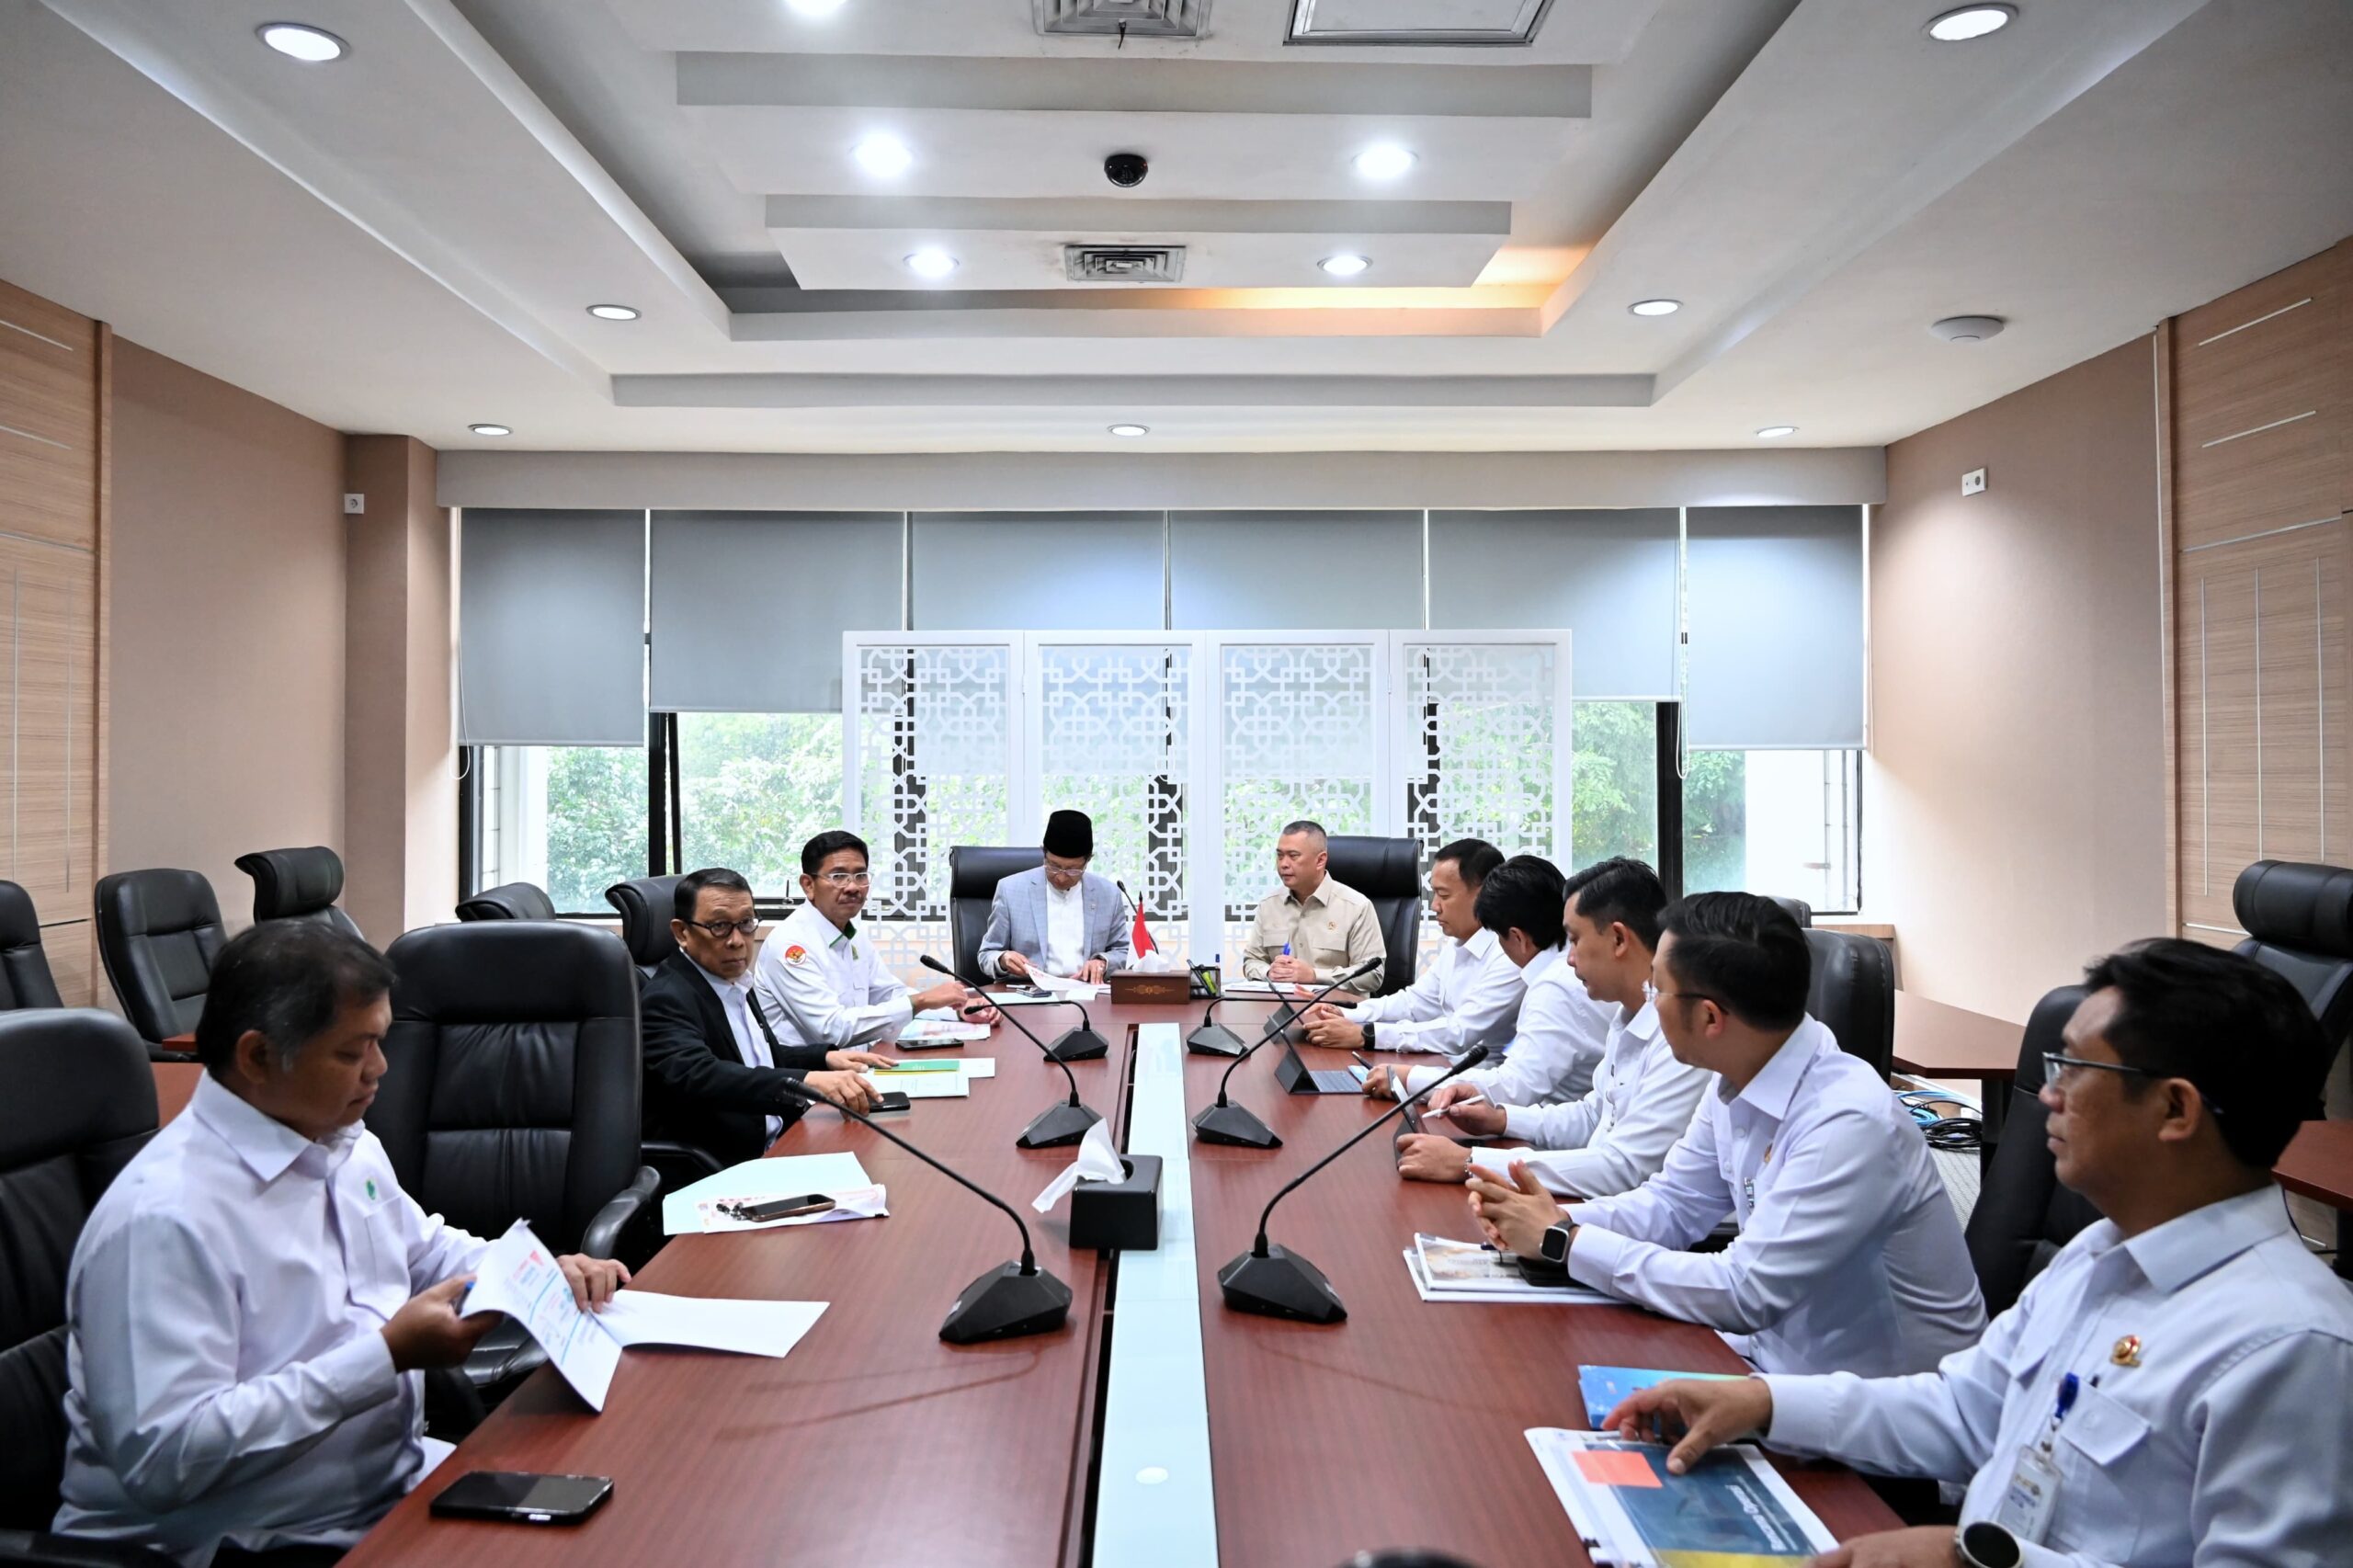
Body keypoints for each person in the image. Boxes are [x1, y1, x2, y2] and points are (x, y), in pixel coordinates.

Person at [1602, 939, 2353, 1568]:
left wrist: (1978, 1559)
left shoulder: (2291, 1343)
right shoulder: (2099, 1254)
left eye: (2077, 1071)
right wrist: (1765, 1404)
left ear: (2175, 1109)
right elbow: (1963, 1410)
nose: (2049, 1096)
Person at [52, 923, 629, 1565]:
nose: (380, 1069)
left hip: (384, 1493)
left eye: (380, 1042)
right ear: (258, 1057)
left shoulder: (341, 1141)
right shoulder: (165, 1219)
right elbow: (166, 1458)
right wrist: (385, 1356)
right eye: (353, 1052)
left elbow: (425, 1250)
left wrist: (535, 1272)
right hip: (229, 1543)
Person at [1468, 892, 1984, 1378]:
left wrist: (1565, 1240)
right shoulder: (1737, 1075)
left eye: (1657, 989)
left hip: (1876, 1412)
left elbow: (1744, 1290)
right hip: (1769, 1361)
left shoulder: (1848, 1122)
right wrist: (1551, 1221)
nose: (1649, 1002)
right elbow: (1672, 1205)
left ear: (1710, 1017)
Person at [1389, 857, 1709, 1194]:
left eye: (1575, 939)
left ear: (1618, 939)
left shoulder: (1680, 1036)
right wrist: (1502, 1119)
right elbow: (1593, 1115)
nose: (1569, 957)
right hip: (1597, 1194)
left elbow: (1624, 1168)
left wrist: (1470, 1162)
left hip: (1620, 1203)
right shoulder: (1627, 1015)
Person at [642, 866, 897, 1166]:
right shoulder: (666, 998)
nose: (737, 940)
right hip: (725, 1164)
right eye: (719, 926)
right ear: (682, 933)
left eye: (746, 923)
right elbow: (701, 1075)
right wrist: (806, 1080)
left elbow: (751, 1058)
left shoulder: (732, 979)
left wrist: (824, 1058)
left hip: (781, 1140)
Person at [757, 830, 995, 1049]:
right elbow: (832, 1029)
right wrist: (922, 1000)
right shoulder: (791, 945)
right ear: (808, 885)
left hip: (859, 1064)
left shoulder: (851, 931)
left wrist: (956, 1010)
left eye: (860, 875)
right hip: (812, 1075)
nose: (853, 887)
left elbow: (887, 993)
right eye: (839, 876)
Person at [1302, 839, 1520, 1059]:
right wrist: (1347, 1014)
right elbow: (1414, 1003)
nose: (1435, 906)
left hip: (1476, 1073)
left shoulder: (1509, 956)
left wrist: (1366, 1035)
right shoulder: (1458, 945)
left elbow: (1458, 1032)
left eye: (1444, 895)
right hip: (1437, 1062)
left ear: (1484, 895)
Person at [977, 809, 1133, 983]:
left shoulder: (1109, 894)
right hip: (1029, 990)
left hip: (1086, 990)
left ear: (1088, 860)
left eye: (1072, 870)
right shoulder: (1010, 890)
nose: (1061, 877)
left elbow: (1123, 952)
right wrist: (1003, 959)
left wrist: (1103, 963)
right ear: (1043, 853)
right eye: (1053, 866)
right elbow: (987, 954)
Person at [1239, 819, 1385, 995]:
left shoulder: (1356, 907)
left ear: (1320, 860)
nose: (1283, 864)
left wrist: (1314, 976)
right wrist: (1270, 972)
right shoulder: (1268, 905)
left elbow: (1373, 974)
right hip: (1280, 1006)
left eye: (1293, 856)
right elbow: (1252, 960)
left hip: (1336, 1008)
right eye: (1280, 856)